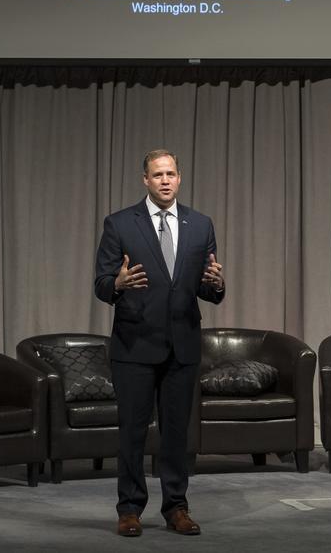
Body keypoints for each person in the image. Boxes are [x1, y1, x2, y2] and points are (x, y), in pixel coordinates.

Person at [94, 149, 225, 537]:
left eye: (171, 174)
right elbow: (101, 284)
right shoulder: (120, 224)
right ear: (145, 181)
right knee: (132, 432)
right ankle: (130, 509)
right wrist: (116, 284)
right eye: (157, 175)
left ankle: (176, 507)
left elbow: (207, 285)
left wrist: (217, 285)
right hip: (134, 346)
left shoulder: (200, 225)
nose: (165, 180)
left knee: (176, 434)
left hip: (182, 346)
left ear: (180, 178)